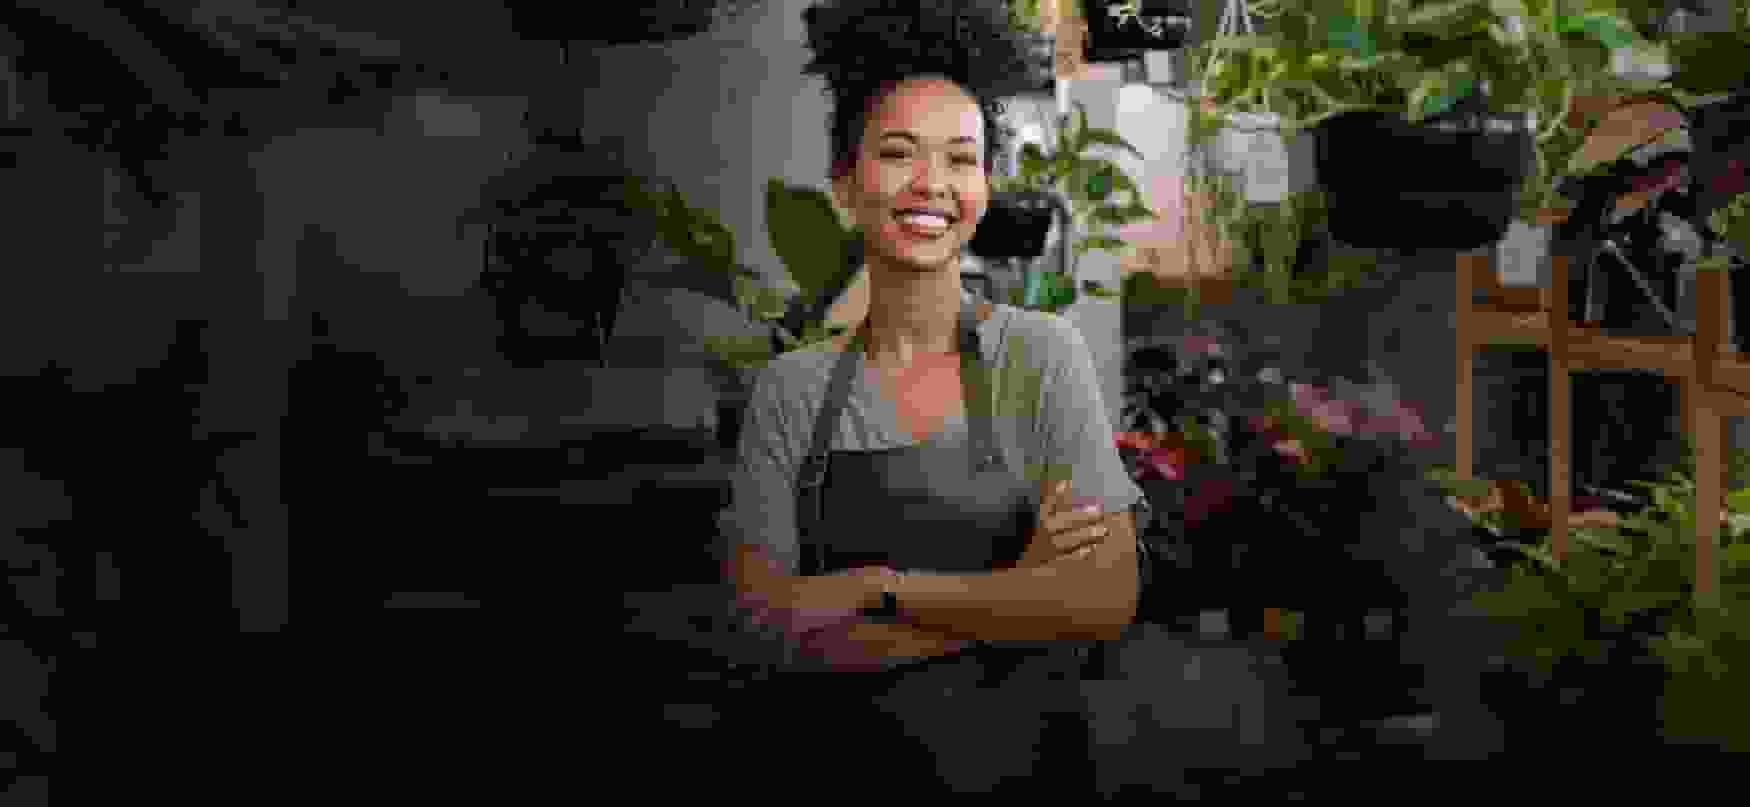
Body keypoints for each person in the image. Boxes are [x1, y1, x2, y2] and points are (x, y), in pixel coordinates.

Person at [716, 0, 1150, 794]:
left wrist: (870, 593)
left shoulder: (1040, 357)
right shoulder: (792, 390)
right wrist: (1018, 595)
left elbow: (1101, 596)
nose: (933, 185)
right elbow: (759, 627)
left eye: (961, 158)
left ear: (984, 186)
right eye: (898, 153)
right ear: (845, 186)